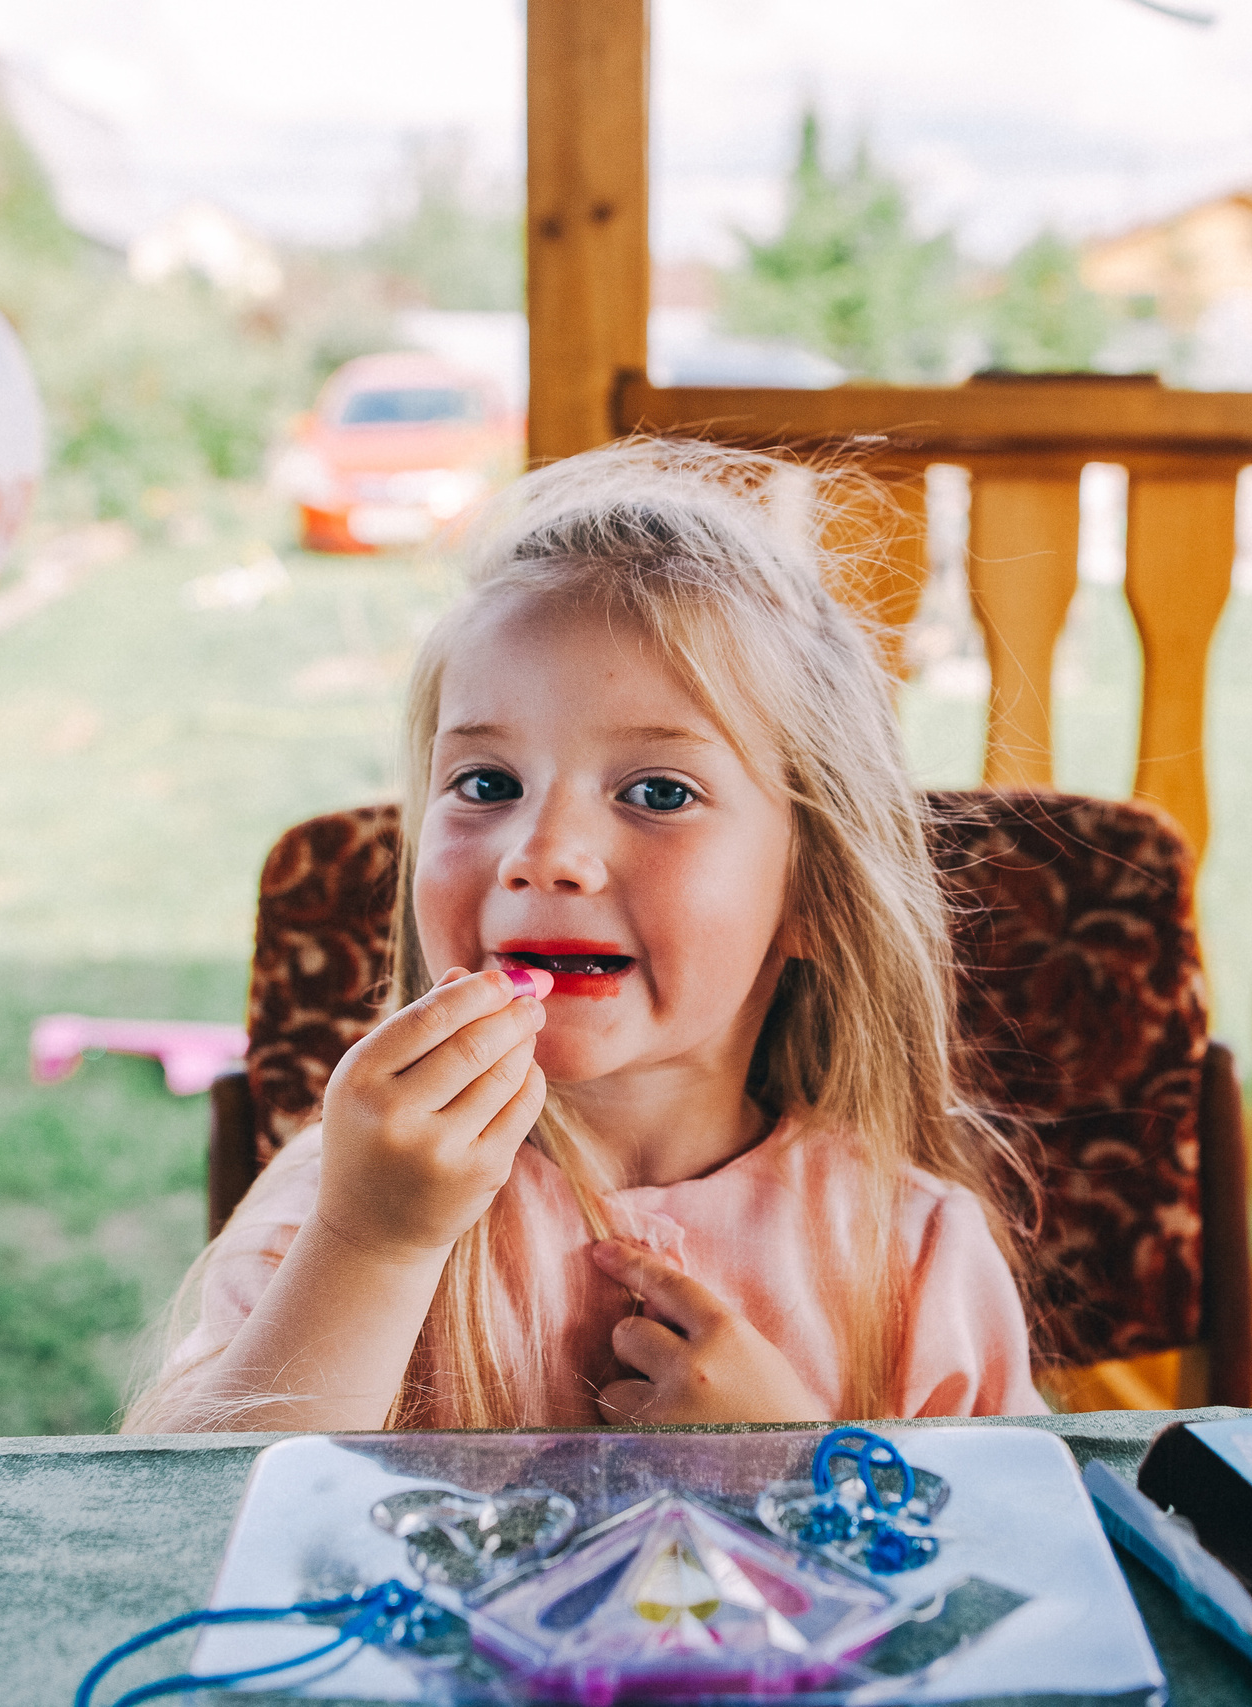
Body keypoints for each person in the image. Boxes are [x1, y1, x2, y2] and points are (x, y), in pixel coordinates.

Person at [124, 440, 1044, 1433]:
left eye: (657, 793)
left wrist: (795, 1463)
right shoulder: (344, 1200)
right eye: (486, 785)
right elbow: (203, 1539)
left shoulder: (915, 1254)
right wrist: (370, 1249)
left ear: (813, 889)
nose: (543, 852)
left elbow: (991, 1567)